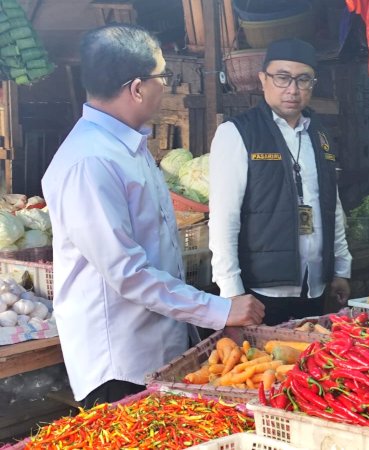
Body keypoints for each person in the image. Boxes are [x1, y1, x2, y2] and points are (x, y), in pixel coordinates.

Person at [41, 24, 265, 407]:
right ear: (137, 88)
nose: (167, 85)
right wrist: (218, 309)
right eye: (164, 76)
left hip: (155, 347)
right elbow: (128, 274)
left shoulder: (127, 145)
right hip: (120, 363)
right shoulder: (90, 161)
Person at [209, 38, 352, 326]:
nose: (293, 89)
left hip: (314, 284)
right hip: (260, 292)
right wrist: (231, 292)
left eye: (303, 80)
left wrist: (340, 269)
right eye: (282, 77)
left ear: (313, 84)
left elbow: (331, 205)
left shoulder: (319, 133)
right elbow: (224, 218)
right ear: (263, 79)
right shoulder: (237, 133)